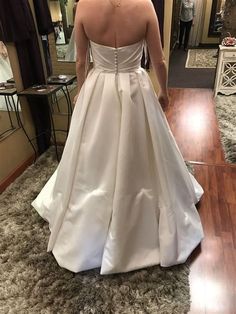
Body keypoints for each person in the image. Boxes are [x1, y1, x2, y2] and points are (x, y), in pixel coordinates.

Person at [32, 0, 204, 275]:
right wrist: (164, 92)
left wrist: (80, 92)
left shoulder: (84, 7)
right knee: (142, 152)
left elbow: (80, 61)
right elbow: (158, 60)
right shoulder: (145, 5)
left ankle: (88, 217)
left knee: (94, 155)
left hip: (98, 88)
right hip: (135, 88)